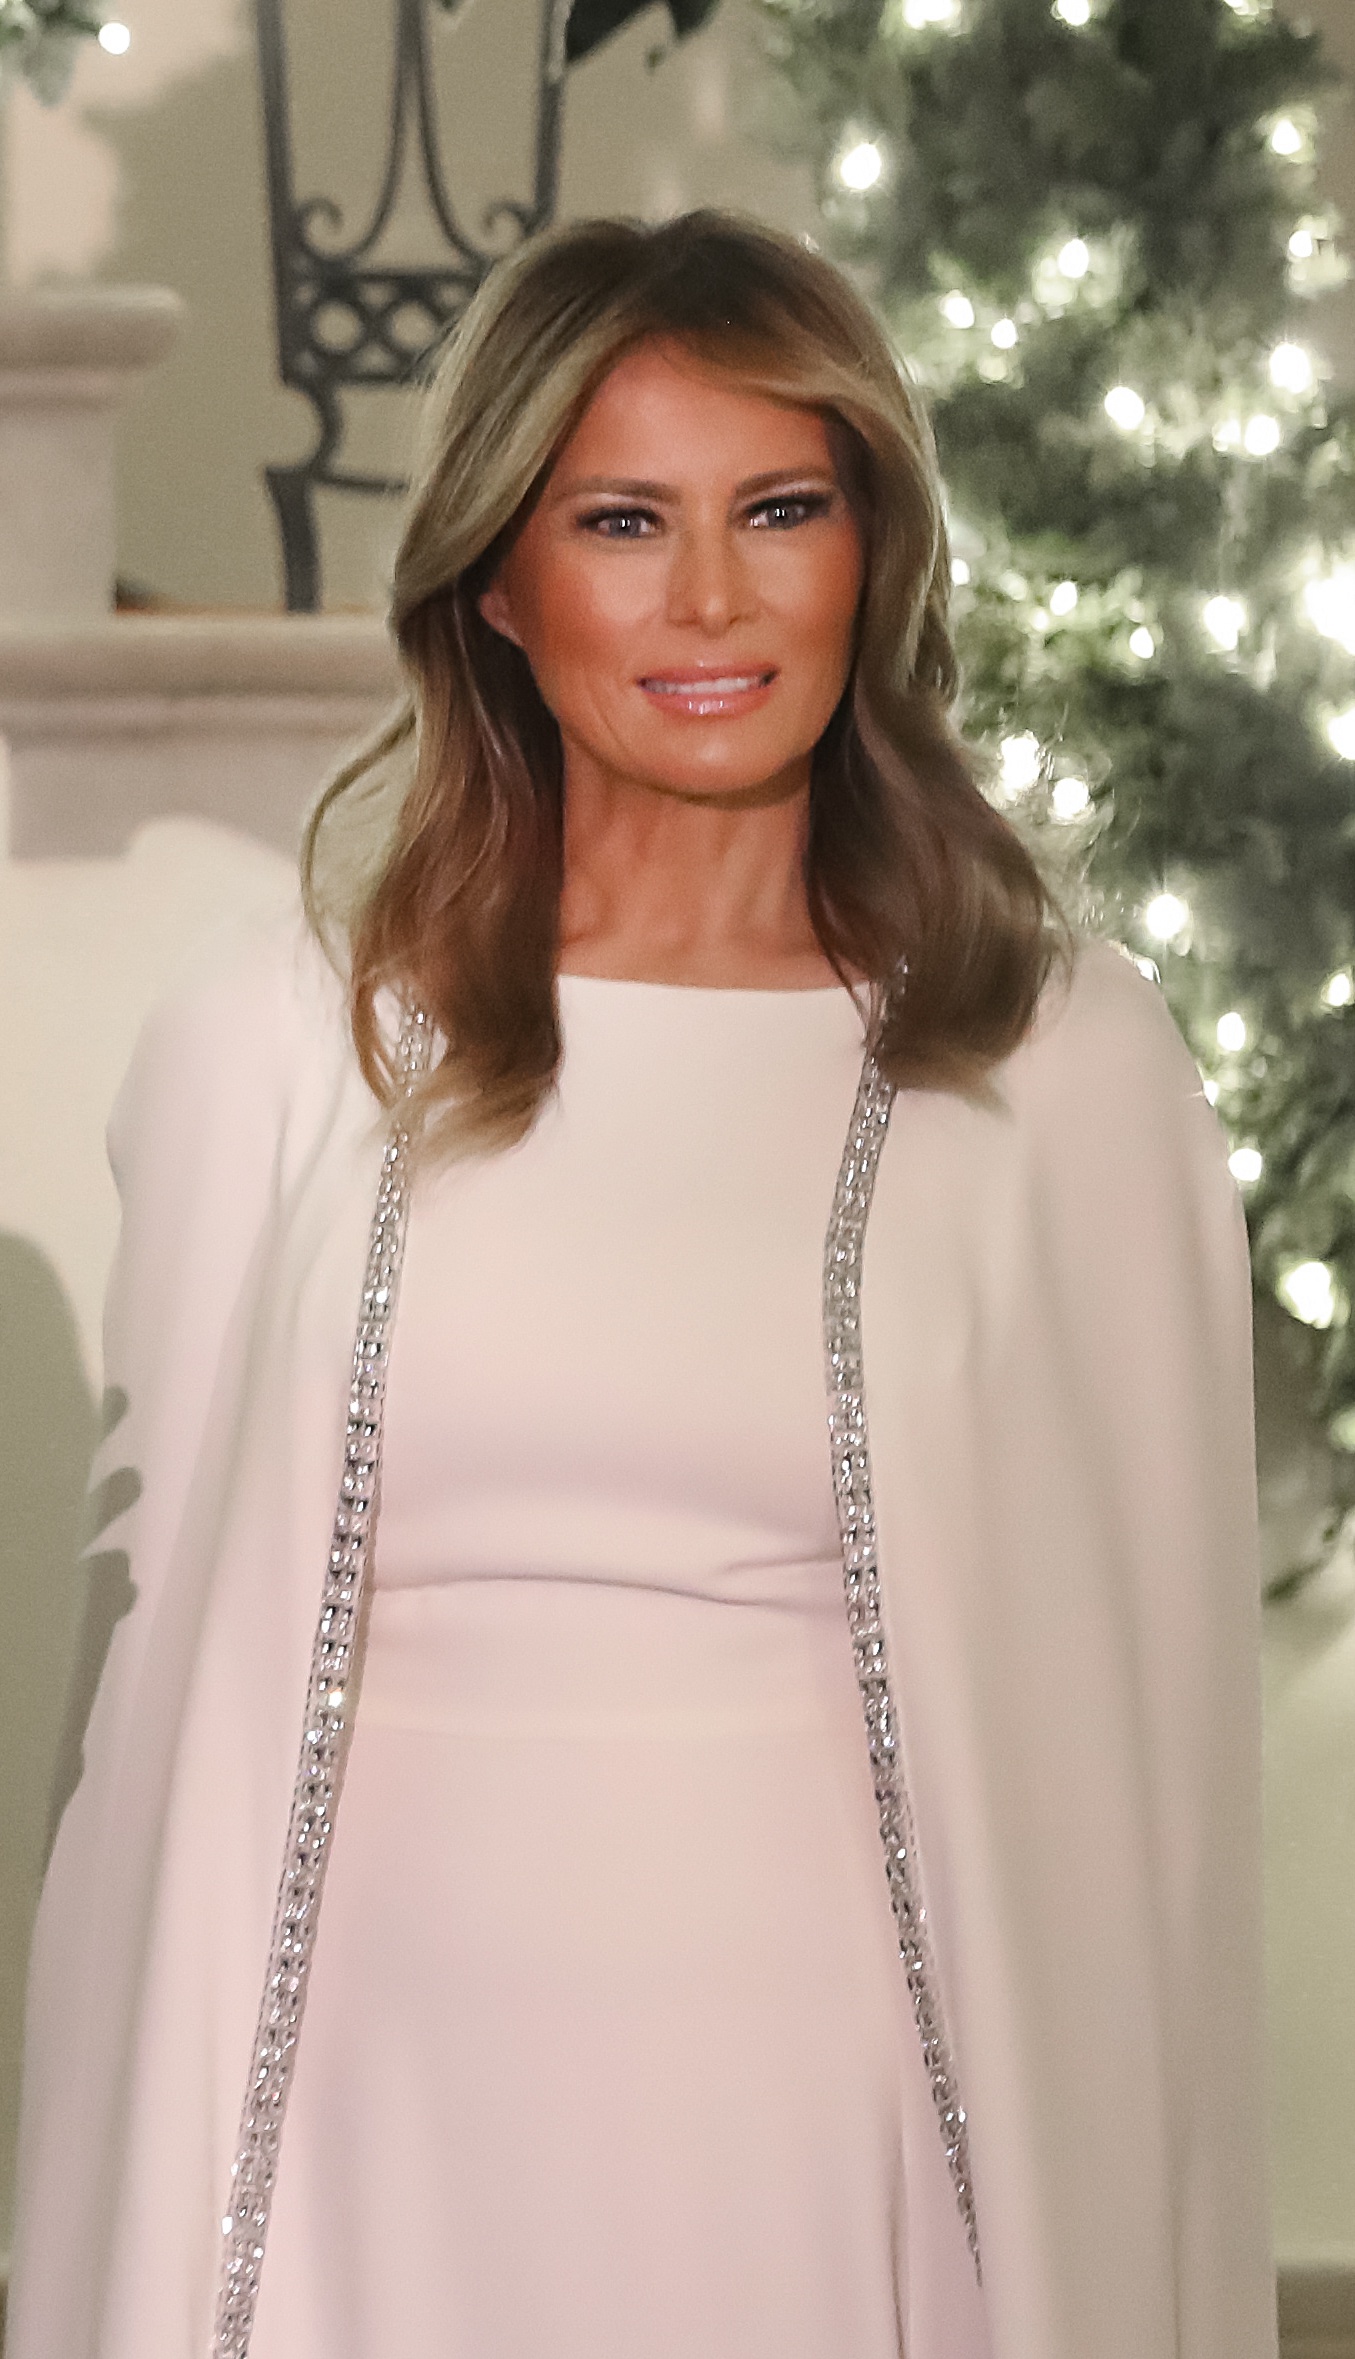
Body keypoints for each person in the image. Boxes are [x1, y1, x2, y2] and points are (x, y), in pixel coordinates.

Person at [9, 211, 1275, 2359]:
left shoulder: (1058, 1078)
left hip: (841, 2147)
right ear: (498, 579)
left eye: (780, 511)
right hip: (360, 2138)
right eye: (622, 520)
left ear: (872, 553)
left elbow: (1146, 1796)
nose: (710, 600)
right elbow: (144, 1749)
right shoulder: (286, 1048)